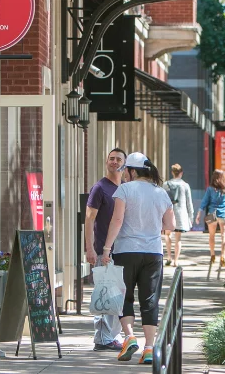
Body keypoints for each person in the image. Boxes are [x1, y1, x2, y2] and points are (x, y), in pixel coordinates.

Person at [99, 152, 175, 365]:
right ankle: (149, 348)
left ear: (132, 171)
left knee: (124, 297)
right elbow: (170, 225)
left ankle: (130, 336)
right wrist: (152, 226)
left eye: (125, 170)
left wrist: (106, 249)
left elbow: (117, 219)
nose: (123, 175)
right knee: (150, 300)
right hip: (153, 252)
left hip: (125, 250)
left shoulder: (124, 190)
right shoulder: (161, 192)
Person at [84, 148, 127, 351]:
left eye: (118, 159)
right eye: (111, 158)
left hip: (124, 250)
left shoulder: (125, 187)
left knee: (120, 293)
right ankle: (102, 338)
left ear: (124, 164)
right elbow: (89, 218)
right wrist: (90, 249)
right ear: (106, 161)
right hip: (104, 251)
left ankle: (112, 336)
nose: (114, 162)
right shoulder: (100, 188)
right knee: (104, 293)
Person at [196, 169, 225, 267]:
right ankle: (222, 256)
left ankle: (213, 255)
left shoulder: (210, 189)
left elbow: (204, 202)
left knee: (211, 236)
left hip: (211, 214)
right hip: (224, 214)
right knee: (224, 235)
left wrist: (198, 215)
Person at [163, 163, 194, 266]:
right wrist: (191, 216)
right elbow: (189, 202)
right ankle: (176, 260)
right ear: (181, 173)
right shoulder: (185, 185)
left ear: (172, 172)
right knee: (178, 238)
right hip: (180, 213)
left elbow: (162, 200)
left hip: (169, 212)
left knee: (167, 235)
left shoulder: (166, 184)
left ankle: (169, 257)